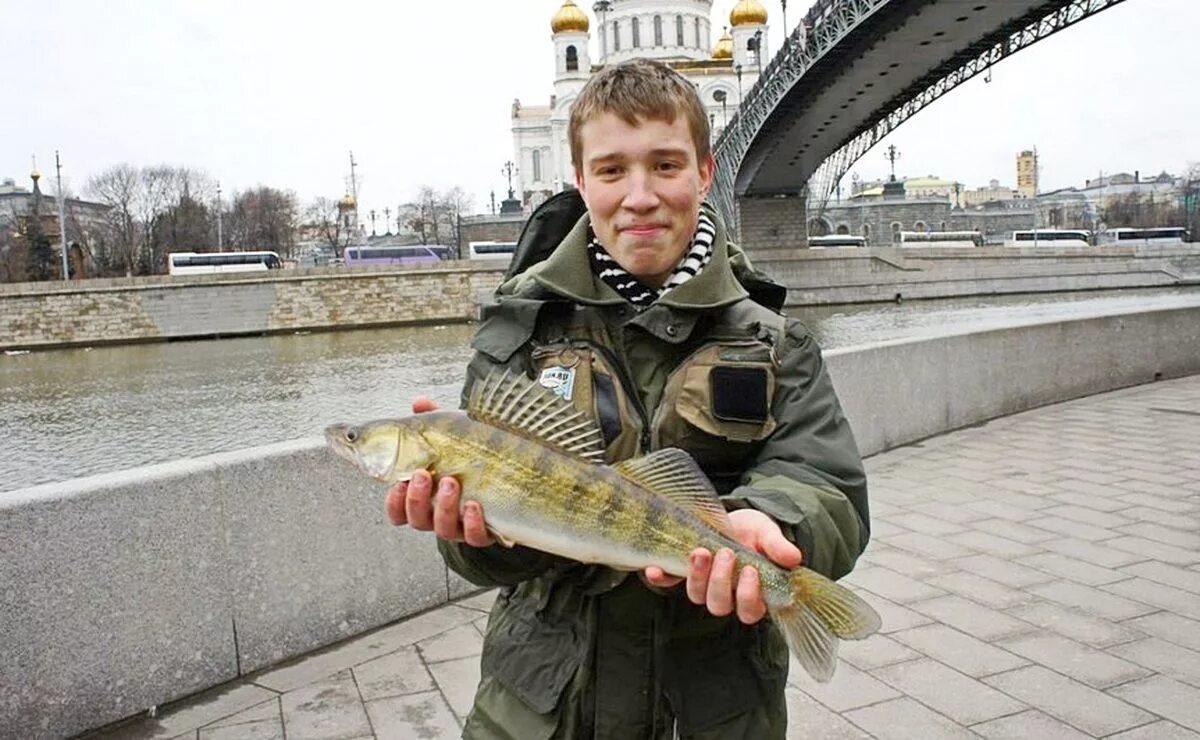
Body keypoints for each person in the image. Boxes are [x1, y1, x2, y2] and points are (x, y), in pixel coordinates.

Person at [386, 59, 869, 739]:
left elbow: (828, 484)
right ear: (580, 180)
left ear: (705, 171)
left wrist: (775, 522)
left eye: (665, 166)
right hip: (541, 710)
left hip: (715, 708)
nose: (639, 197)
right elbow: (486, 558)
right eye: (611, 171)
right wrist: (473, 535)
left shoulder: (773, 341)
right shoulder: (519, 329)